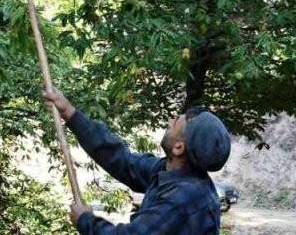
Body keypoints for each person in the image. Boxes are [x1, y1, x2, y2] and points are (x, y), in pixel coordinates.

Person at [43, 87, 230, 235]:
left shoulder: (182, 200)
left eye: (175, 123)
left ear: (178, 147)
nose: (169, 122)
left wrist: (85, 220)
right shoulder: (169, 172)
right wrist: (69, 112)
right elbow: (121, 159)